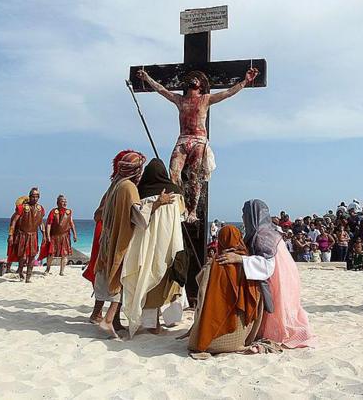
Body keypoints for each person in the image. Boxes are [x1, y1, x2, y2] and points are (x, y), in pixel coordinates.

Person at [137, 67, 260, 223]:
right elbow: (161, 90)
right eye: (192, 78)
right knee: (173, 174)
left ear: (201, 85)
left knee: (195, 177)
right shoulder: (180, 100)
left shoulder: (205, 99)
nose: (194, 79)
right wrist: (147, 78)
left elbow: (228, 93)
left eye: (198, 78)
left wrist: (245, 81)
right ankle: (180, 208)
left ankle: (193, 211)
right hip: (183, 140)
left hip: (199, 140)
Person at [93, 150, 173, 339]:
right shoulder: (129, 188)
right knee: (120, 276)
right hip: (120, 238)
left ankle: (113, 321)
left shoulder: (115, 184)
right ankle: (108, 319)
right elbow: (138, 216)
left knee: (110, 274)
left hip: (108, 237)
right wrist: (157, 203)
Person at [216, 199, 315, 349]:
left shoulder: (263, 236)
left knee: (278, 313)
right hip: (283, 275)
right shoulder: (264, 232)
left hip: (278, 279)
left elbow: (267, 265)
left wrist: (240, 259)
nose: (243, 218)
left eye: (245, 214)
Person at [121, 158, 186, 337]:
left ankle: (152, 323)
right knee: (167, 281)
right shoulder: (176, 193)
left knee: (147, 278)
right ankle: (169, 320)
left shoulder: (140, 194)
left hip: (146, 244)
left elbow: (136, 219)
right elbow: (182, 216)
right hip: (169, 243)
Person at [187, 225, 261, 354]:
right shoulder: (248, 262)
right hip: (237, 337)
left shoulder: (214, 264)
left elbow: (200, 283)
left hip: (209, 331)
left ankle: (212, 339)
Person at [7, 187, 45, 282]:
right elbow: (14, 221)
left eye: (37, 196)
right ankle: (20, 271)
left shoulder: (41, 209)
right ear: (29, 196)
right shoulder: (22, 208)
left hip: (33, 235)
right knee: (22, 257)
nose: (34, 198)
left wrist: (45, 235)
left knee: (32, 256)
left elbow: (41, 223)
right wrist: (11, 235)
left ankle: (28, 277)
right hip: (22, 235)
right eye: (33, 196)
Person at [43, 195, 78, 276]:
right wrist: (48, 236)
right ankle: (47, 269)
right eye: (62, 201)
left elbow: (71, 223)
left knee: (64, 254)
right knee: (51, 254)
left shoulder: (69, 212)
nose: (65, 203)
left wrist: (74, 234)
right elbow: (48, 224)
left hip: (65, 236)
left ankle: (61, 271)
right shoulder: (53, 212)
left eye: (65, 201)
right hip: (54, 236)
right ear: (58, 202)